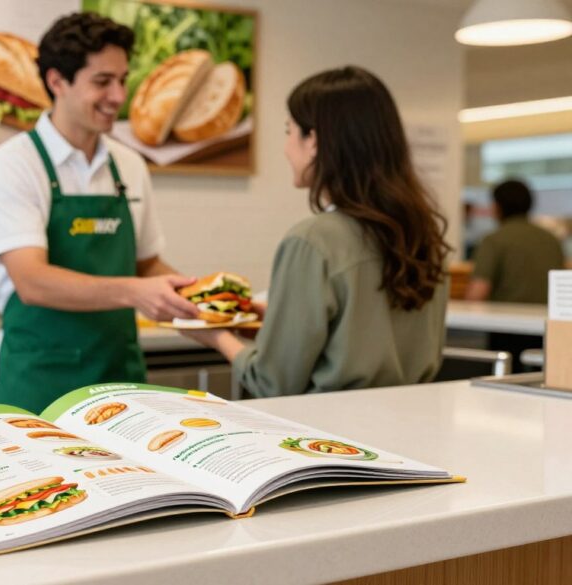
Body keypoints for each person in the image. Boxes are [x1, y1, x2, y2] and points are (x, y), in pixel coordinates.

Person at [0, 13, 198, 413]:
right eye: (102, 81)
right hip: (37, 382)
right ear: (57, 81)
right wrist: (135, 292)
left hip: (119, 380)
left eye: (122, 79)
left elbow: (147, 265)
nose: (118, 96)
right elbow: (32, 281)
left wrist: (204, 300)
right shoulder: (13, 164)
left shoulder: (130, 166)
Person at [182, 66, 451, 397]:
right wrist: (279, 321)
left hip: (325, 440)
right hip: (405, 433)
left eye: (288, 131)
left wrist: (214, 334)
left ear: (314, 141)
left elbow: (273, 382)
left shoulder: (311, 241)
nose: (285, 147)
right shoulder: (424, 237)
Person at [465, 179, 565, 304]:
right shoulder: (552, 240)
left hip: (504, 319)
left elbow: (478, 291)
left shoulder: (494, 240)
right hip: (547, 319)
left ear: (497, 206)